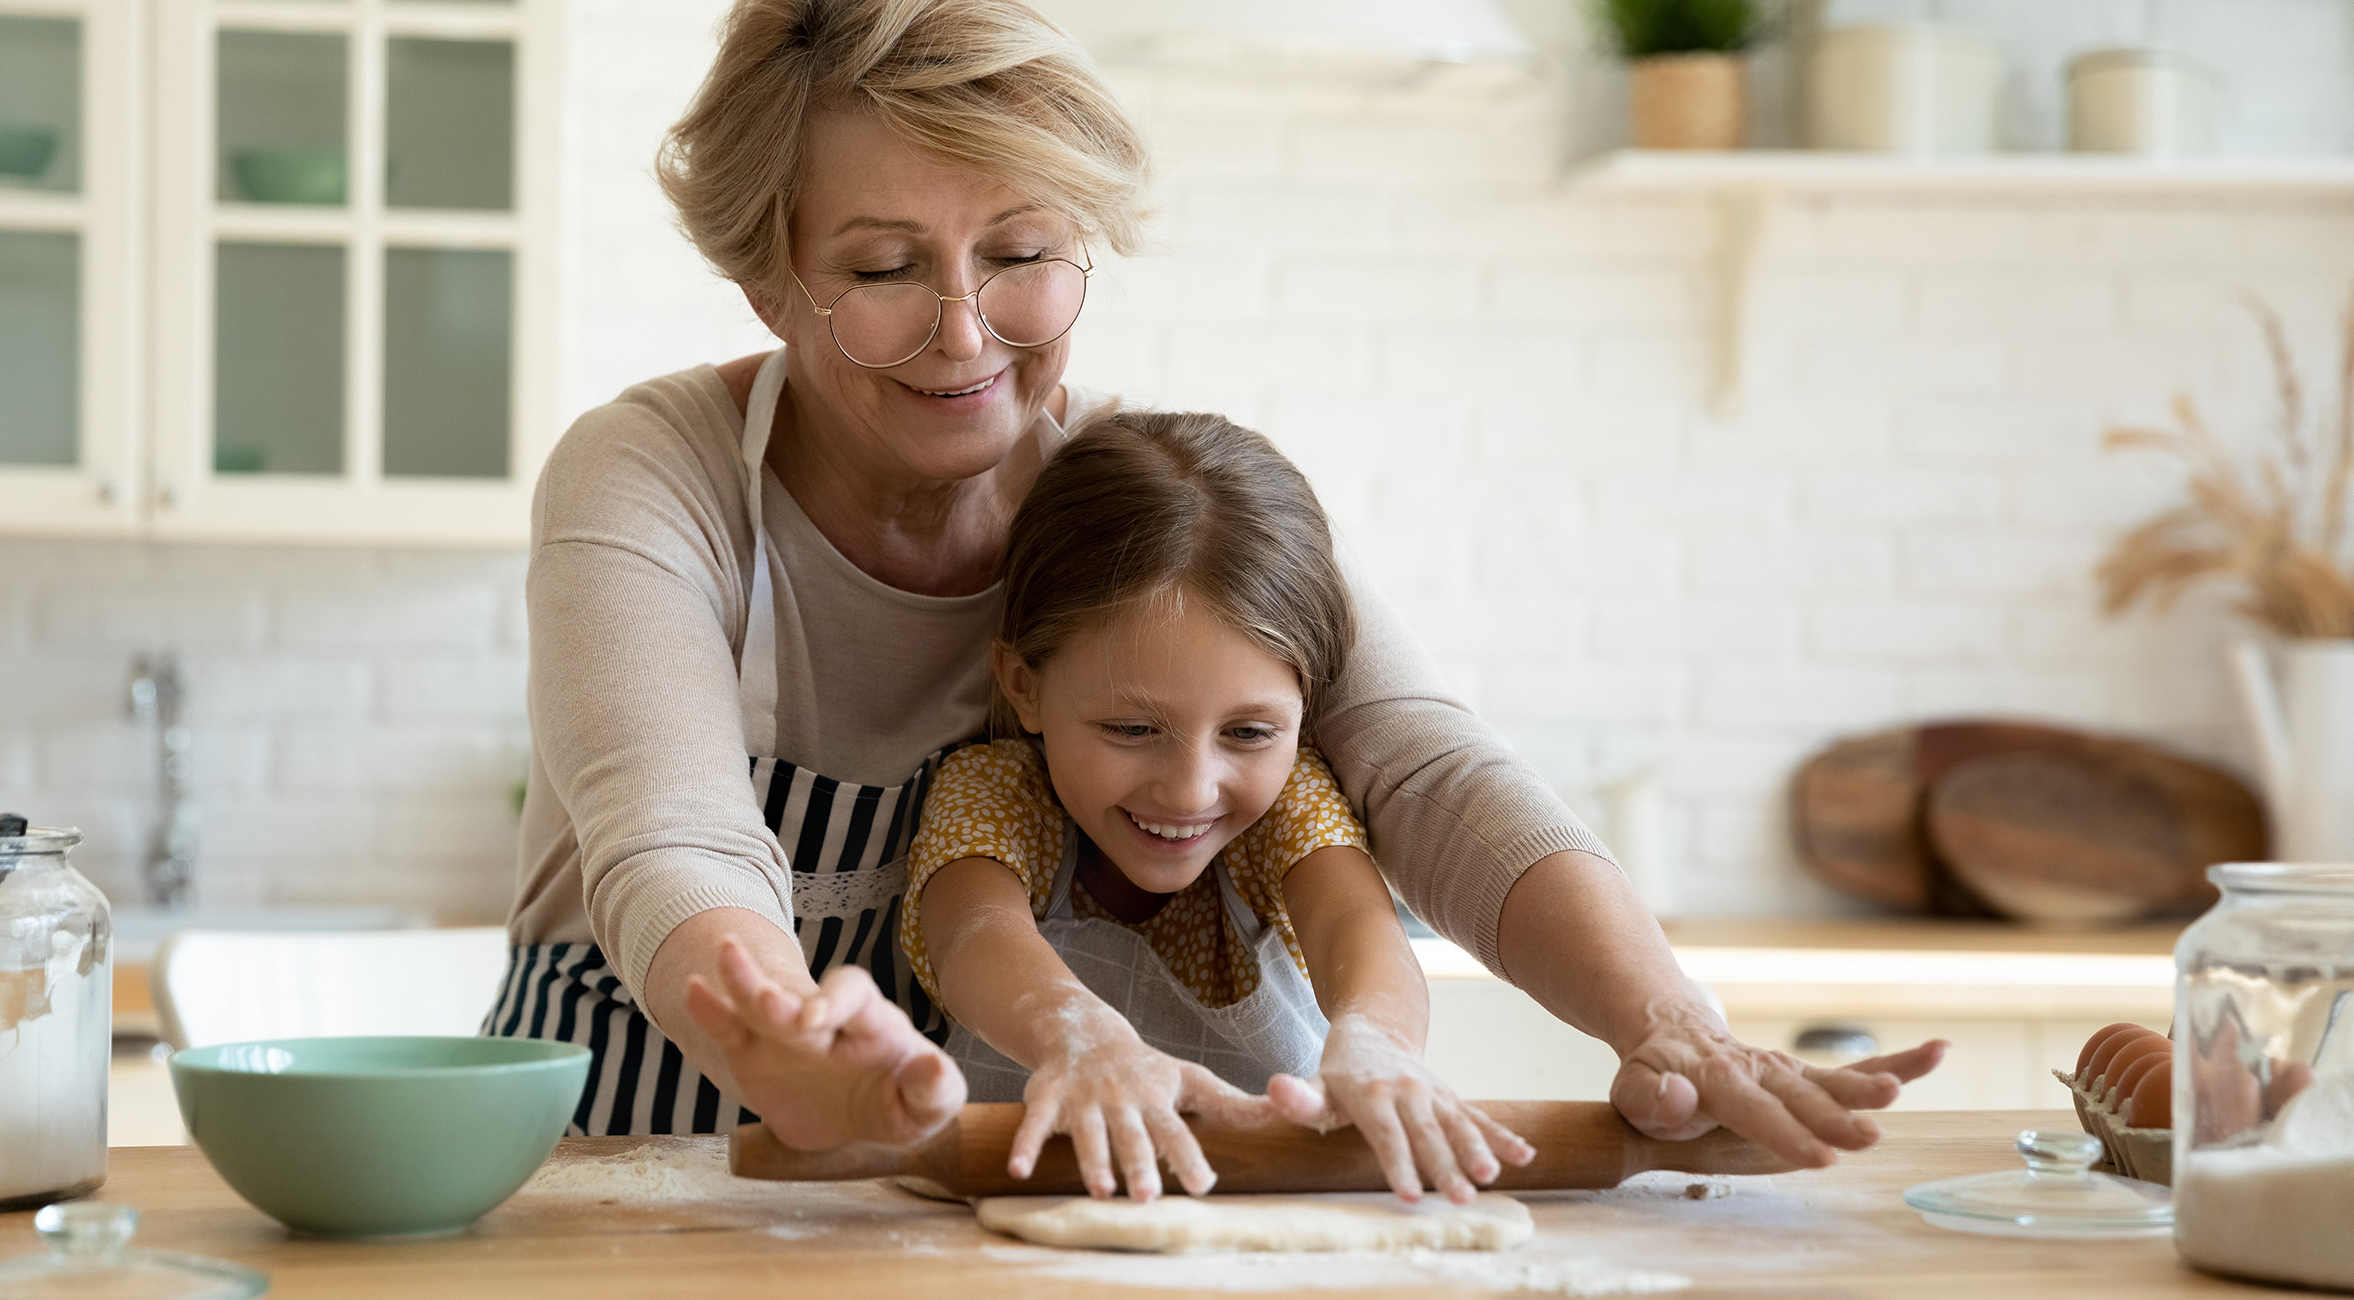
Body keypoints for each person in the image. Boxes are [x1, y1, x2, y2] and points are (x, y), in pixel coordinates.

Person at [493, 0, 1943, 1182]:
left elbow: (1424, 764)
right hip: (627, 1158)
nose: (964, 331)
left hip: (917, 1193)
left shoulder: (1137, 508)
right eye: (883, 268)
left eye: (1021, 257)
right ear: (768, 280)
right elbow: (672, 839)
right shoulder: (651, 473)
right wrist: (779, 1031)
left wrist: (1672, 1024)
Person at [901, 409, 1536, 1204]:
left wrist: (1379, 1044)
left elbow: (1356, 927)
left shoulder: (1284, 807)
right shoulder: (998, 796)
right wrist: (1082, 1039)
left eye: (1248, 731)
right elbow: (973, 935)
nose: (1191, 789)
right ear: (1024, 684)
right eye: (1131, 728)